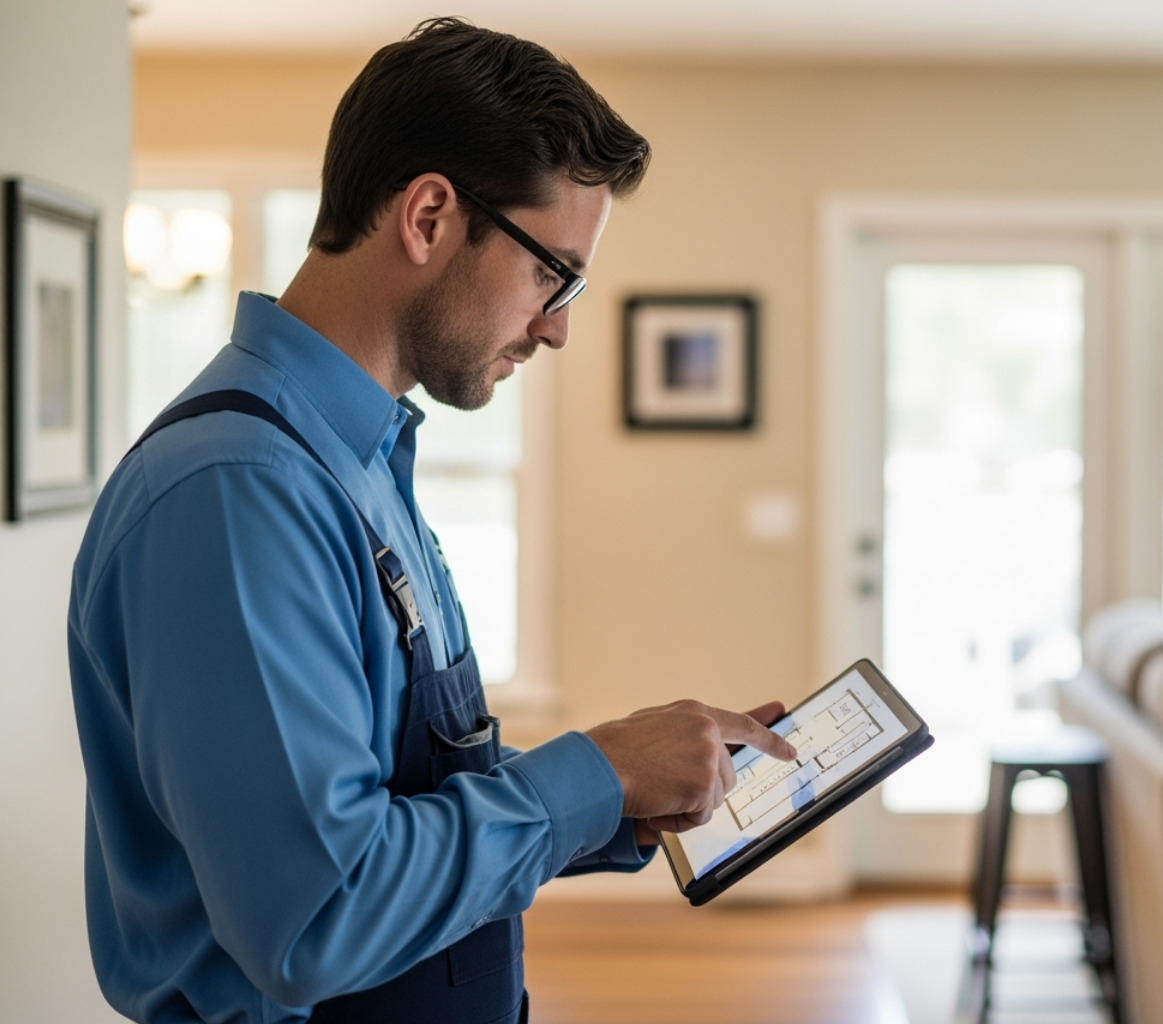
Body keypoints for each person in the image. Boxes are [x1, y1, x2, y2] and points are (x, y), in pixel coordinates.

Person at [67, 17, 796, 1024]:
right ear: (428, 217)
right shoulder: (238, 489)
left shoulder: (357, 460)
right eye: (551, 273)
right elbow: (320, 915)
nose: (557, 326)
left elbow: (399, 794)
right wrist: (592, 774)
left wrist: (622, 791)